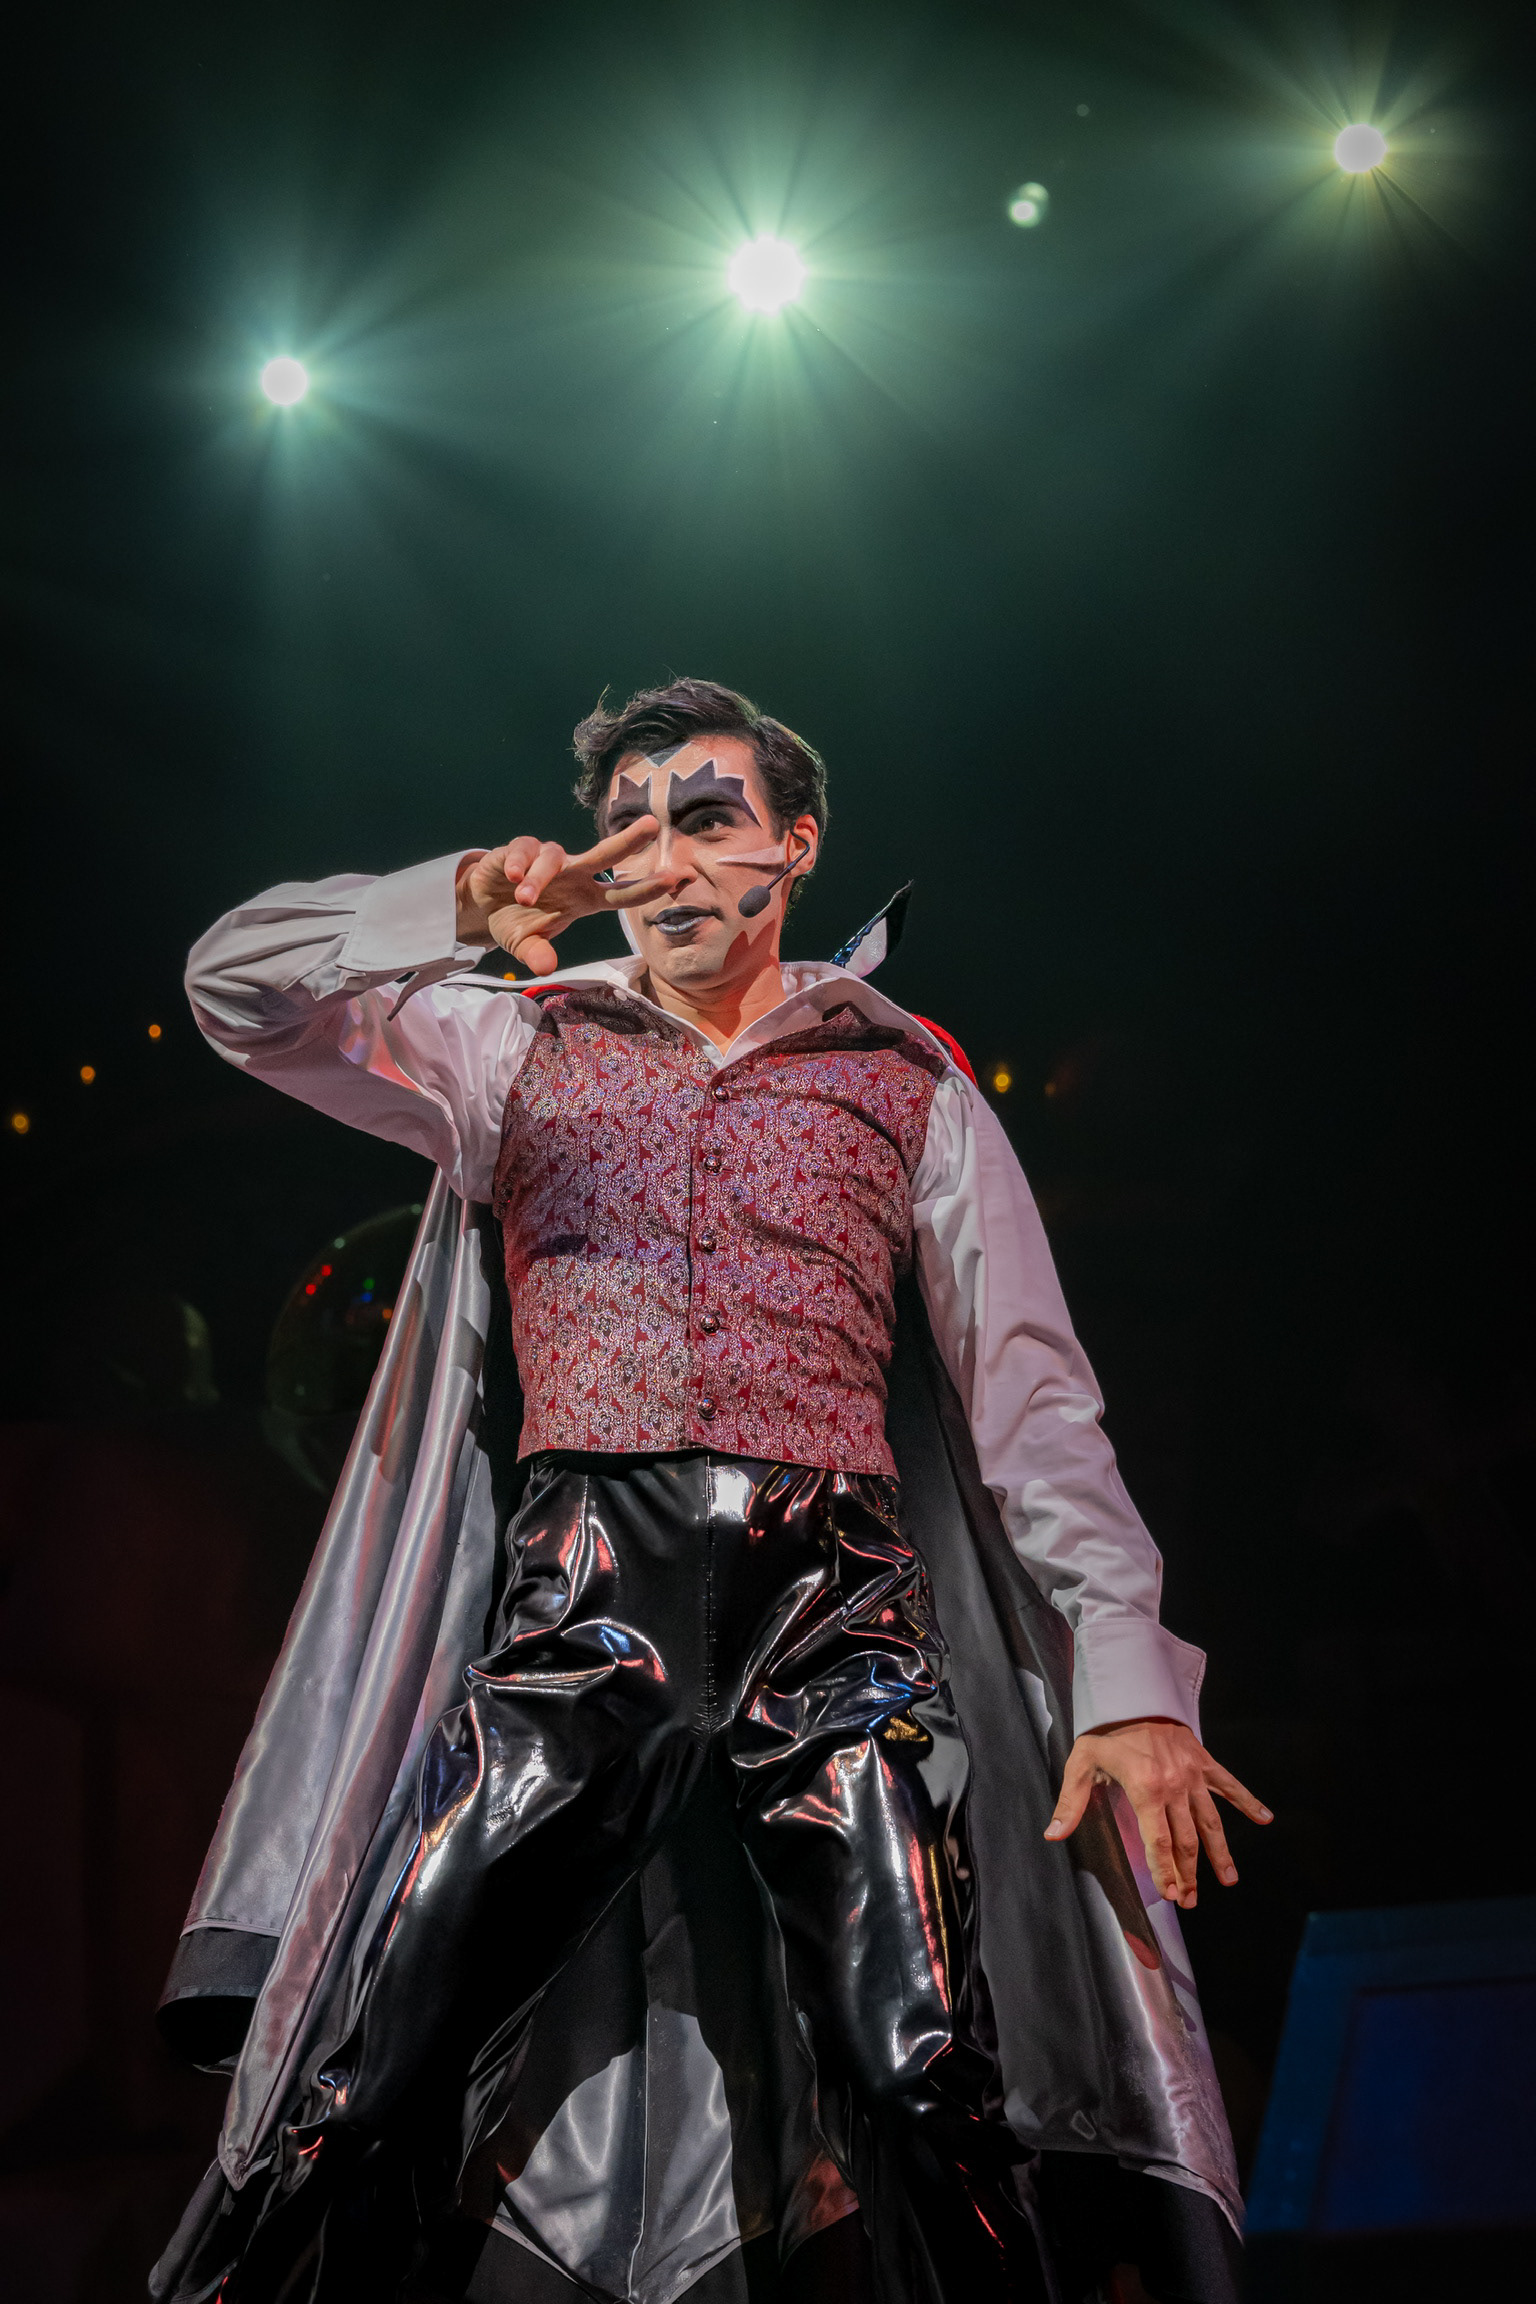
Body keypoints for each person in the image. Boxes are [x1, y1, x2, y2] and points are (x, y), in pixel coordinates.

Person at [154, 678, 1268, 2304]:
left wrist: (1127, 1679)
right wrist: (455, 903)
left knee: (921, 2079)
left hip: (837, 1624)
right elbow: (232, 986)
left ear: (795, 845)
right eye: (631, 828)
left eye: (706, 818)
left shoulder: (903, 1077)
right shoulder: (511, 1038)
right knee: (374, 2063)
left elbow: (1034, 1404)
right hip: (585, 1612)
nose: (663, 861)